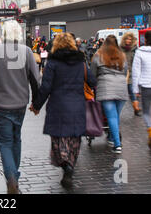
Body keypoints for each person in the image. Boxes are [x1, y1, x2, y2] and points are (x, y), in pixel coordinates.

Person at [30, 33, 96, 188]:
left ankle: (64, 163)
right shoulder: (81, 62)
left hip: (58, 106)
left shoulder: (52, 63)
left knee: (58, 138)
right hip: (77, 105)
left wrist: (36, 106)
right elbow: (92, 81)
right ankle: (71, 164)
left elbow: (46, 87)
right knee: (74, 138)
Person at [0, 20, 40, 194]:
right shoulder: (27, 52)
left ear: (5, 34)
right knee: (16, 139)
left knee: (5, 143)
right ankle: (14, 174)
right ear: (19, 35)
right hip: (20, 105)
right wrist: (36, 103)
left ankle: (11, 178)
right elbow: (36, 80)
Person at [91, 35, 129, 154]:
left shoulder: (98, 55)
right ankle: (112, 138)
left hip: (106, 88)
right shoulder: (122, 56)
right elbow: (125, 70)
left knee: (111, 117)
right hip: (121, 87)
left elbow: (93, 73)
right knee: (116, 116)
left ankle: (117, 144)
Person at [120, 32, 142, 116]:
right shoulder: (120, 49)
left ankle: (136, 109)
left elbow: (136, 63)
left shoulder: (134, 50)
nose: (128, 41)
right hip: (121, 74)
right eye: (127, 39)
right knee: (121, 94)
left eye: (130, 39)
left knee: (132, 92)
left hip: (131, 74)